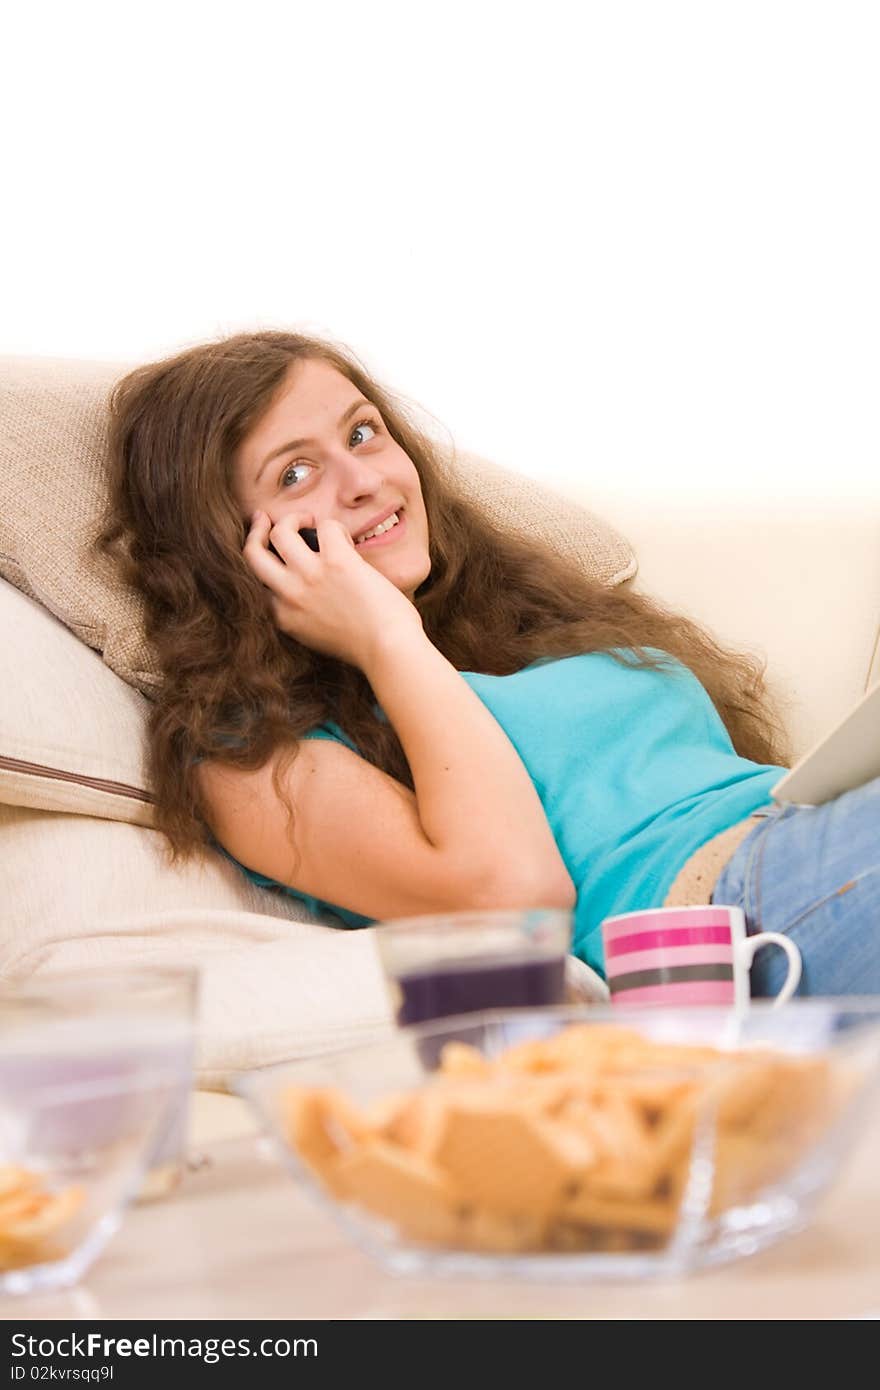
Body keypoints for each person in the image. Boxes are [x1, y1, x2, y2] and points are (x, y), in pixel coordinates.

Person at [97, 329, 879, 996]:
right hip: (733, 920)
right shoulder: (253, 755)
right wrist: (385, 638)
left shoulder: (523, 618)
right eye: (295, 473)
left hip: (811, 846)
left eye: (363, 433)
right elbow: (517, 905)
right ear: (222, 540)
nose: (366, 481)